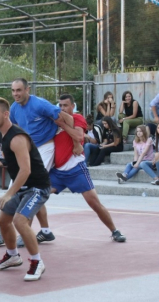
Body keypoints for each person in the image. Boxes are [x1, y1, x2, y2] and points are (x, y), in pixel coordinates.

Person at [0, 97, 51, 281]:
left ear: (6, 114)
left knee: (20, 221)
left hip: (37, 187)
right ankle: (13, 255)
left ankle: (36, 262)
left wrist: (9, 194)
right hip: (24, 187)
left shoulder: (16, 138)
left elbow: (26, 170)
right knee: (3, 221)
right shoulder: (2, 134)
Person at [51, 94, 126, 242]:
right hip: (57, 170)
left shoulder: (77, 118)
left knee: (94, 203)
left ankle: (114, 230)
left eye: (65, 105)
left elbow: (79, 137)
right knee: (37, 197)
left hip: (75, 168)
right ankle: (43, 230)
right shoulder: (53, 121)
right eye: (60, 105)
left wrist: (63, 125)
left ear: (73, 106)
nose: (62, 108)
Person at [8, 78, 75, 244]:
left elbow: (68, 119)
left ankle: (25, 232)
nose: (16, 94)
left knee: (31, 186)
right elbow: (15, 129)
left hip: (45, 148)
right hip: (28, 150)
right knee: (14, 187)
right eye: (13, 91)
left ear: (27, 90)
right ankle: (8, 229)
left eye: (19, 90)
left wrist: (75, 142)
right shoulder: (14, 109)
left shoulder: (40, 104)